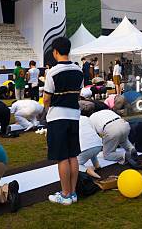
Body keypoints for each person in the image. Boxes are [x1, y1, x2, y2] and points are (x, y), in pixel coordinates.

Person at [43, 37, 83, 205]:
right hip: (74, 116)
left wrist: (48, 111)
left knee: (62, 157)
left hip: (58, 117)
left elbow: (46, 99)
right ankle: (72, 192)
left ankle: (65, 194)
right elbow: (78, 93)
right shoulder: (79, 70)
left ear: (55, 52)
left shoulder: (52, 72)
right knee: (72, 155)